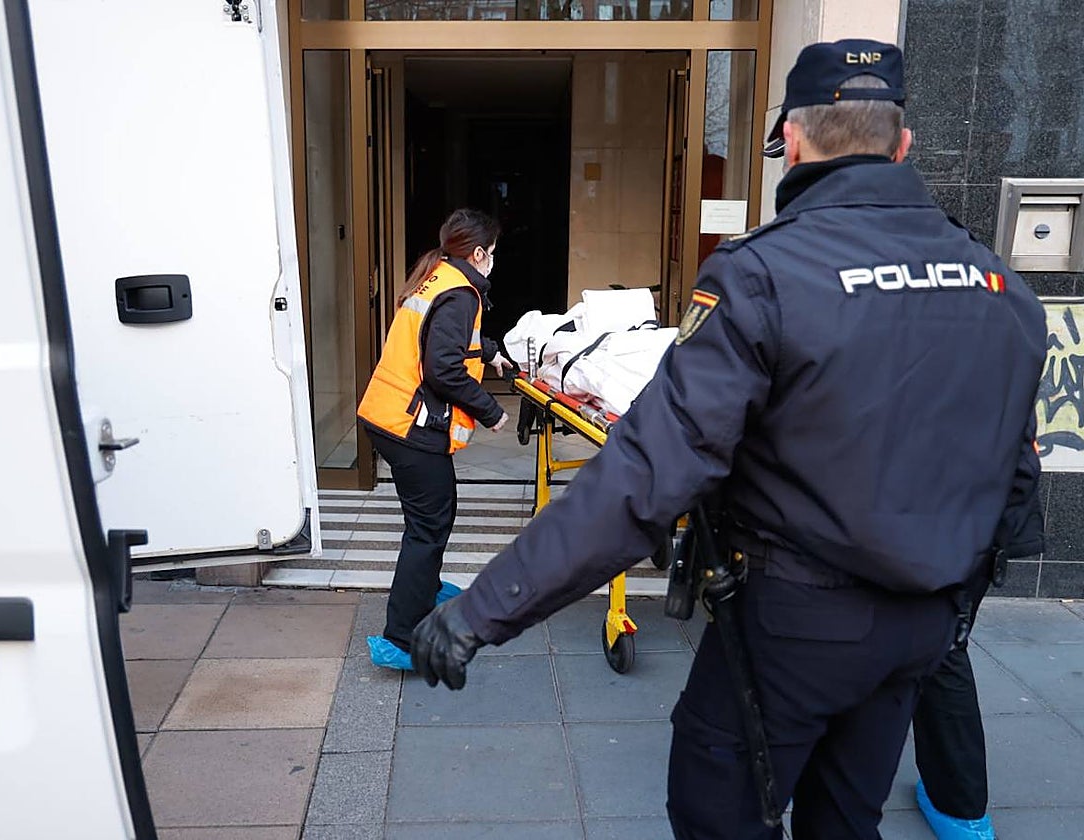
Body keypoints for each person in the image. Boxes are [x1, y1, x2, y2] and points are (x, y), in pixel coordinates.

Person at [408, 39, 1048, 839]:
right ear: (904, 144)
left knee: (719, 811)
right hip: (926, 626)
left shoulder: (764, 276)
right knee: (847, 817)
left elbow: (647, 475)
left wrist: (485, 609)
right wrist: (954, 604)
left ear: (797, 141)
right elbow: (1015, 478)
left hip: (794, 626)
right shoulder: (1001, 286)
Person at [357, 208, 511, 671]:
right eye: (494, 252)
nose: (494, 260)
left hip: (385, 415)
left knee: (431, 517)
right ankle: (400, 639)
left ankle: (425, 586)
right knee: (429, 526)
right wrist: (491, 411)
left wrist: (489, 354)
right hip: (409, 428)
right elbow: (442, 368)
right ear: (479, 253)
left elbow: (439, 343)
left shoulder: (436, 277)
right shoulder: (461, 293)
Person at [912, 428, 1044, 840]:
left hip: (930, 515)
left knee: (938, 647)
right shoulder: (1009, 360)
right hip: (983, 517)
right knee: (944, 645)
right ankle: (959, 808)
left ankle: (960, 809)